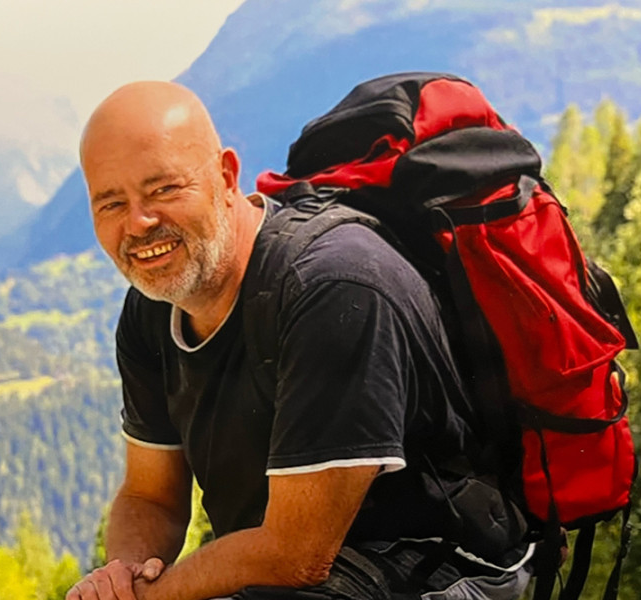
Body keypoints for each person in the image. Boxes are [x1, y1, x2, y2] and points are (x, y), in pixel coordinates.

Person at [68, 80, 534, 600]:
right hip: (304, 573)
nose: (139, 222)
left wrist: (154, 598)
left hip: (445, 564)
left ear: (226, 176)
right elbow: (150, 495)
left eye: (163, 189)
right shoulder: (153, 309)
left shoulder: (331, 289)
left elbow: (298, 554)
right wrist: (125, 577)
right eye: (111, 203)